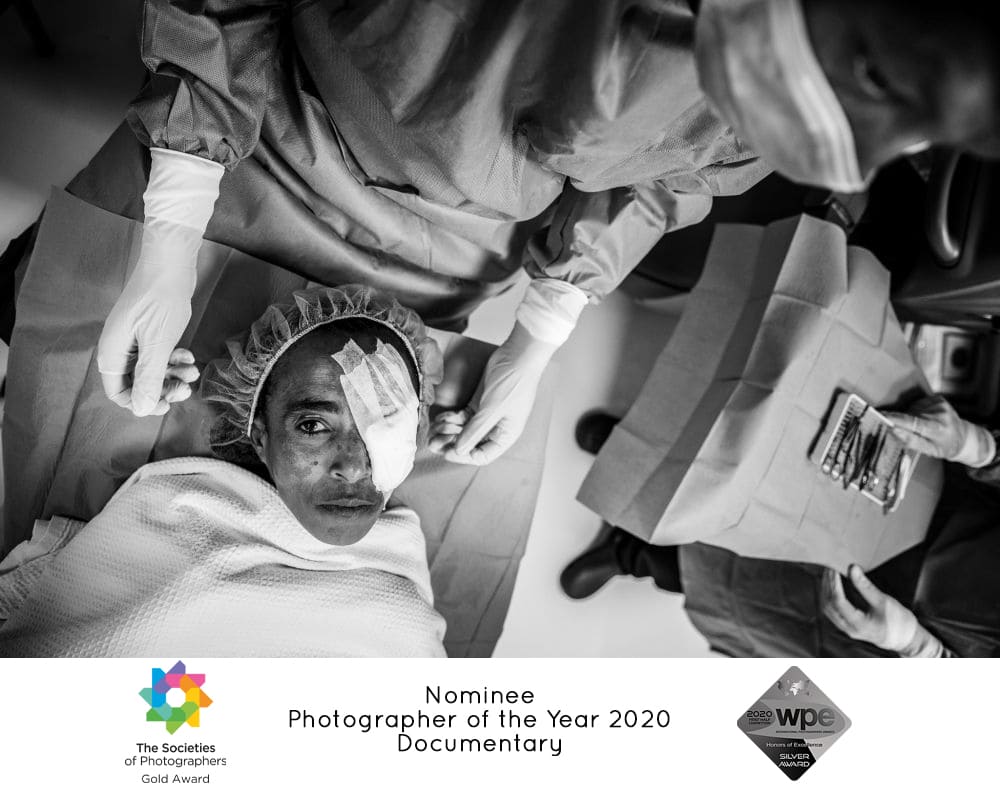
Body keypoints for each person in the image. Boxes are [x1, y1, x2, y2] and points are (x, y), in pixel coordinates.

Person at [71, 0, 999, 469]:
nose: (850, 169)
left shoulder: (780, 87)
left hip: (465, 233)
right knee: (75, 327)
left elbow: (665, 174)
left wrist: (543, 329)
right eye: (877, 81)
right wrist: (176, 213)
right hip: (262, 114)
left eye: (919, 142)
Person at [0, 284, 448, 657]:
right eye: (313, 426)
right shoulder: (172, 525)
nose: (352, 467)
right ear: (260, 437)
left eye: (388, 423)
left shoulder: (401, 575)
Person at [561, 395, 1000, 657]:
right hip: (950, 524)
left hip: (905, 680)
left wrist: (919, 648)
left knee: (760, 620)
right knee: (787, 489)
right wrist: (981, 448)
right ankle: (645, 453)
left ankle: (636, 556)